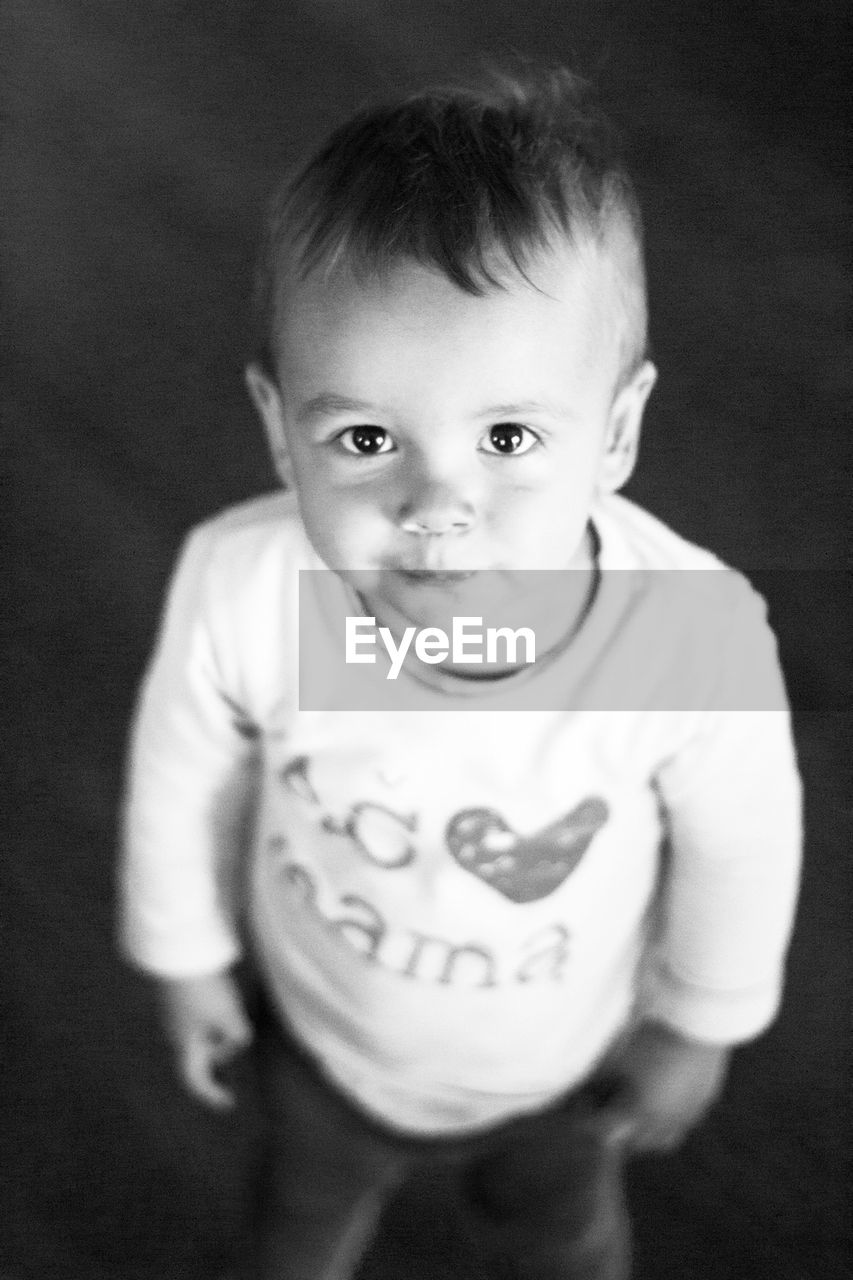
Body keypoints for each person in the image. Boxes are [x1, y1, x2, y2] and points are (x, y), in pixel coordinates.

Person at [118, 67, 802, 1280]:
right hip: (316, 1036)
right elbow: (179, 774)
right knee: (293, 1229)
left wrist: (703, 1019)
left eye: (508, 437)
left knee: (557, 1237)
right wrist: (183, 949)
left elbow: (743, 844)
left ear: (618, 435)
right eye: (366, 439)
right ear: (282, 433)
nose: (437, 506)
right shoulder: (247, 588)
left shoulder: (688, 635)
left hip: (561, 1064)